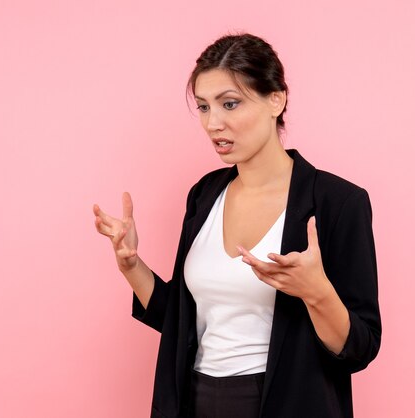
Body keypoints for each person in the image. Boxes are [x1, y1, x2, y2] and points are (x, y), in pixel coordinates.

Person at [93, 33, 381, 418]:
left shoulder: (338, 202)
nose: (214, 124)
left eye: (230, 104)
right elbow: (180, 325)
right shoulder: (204, 194)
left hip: (285, 404)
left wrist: (317, 292)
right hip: (192, 400)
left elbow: (360, 348)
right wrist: (131, 266)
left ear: (275, 99)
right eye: (203, 107)